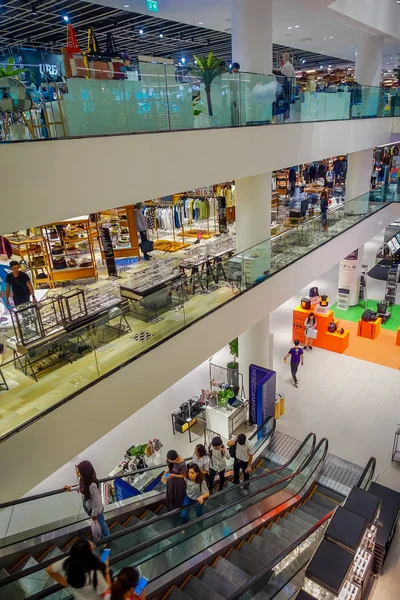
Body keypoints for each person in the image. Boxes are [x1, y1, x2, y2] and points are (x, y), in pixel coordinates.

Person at [46, 537, 111, 599]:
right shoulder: (94, 574)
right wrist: (106, 569)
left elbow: (49, 569)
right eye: (92, 550)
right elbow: (107, 593)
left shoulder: (68, 562)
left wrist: (65, 583)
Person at [64, 461, 110, 539]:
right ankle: (101, 535)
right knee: (99, 523)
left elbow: (96, 500)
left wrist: (94, 513)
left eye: (79, 472)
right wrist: (70, 489)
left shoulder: (92, 485)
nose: (78, 474)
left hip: (96, 510)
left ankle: (107, 538)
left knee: (102, 523)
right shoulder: (85, 481)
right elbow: (81, 487)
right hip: (91, 508)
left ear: (85, 473)